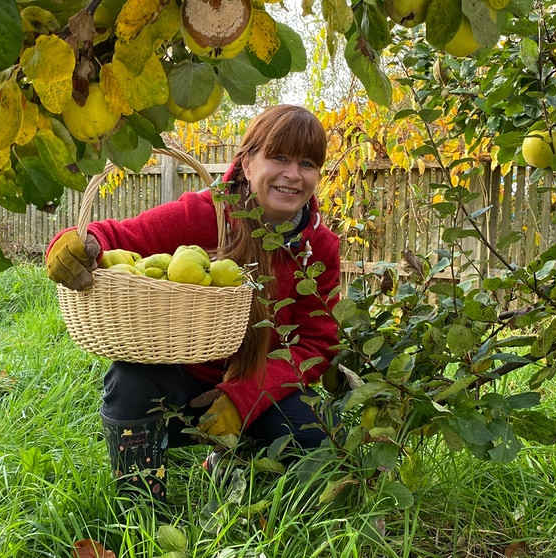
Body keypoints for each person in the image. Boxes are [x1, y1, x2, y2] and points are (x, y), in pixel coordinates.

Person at [45, 105, 341, 503]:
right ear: (248, 163)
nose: (293, 174)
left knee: (316, 436)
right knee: (130, 380)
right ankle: (141, 503)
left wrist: (244, 396)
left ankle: (237, 462)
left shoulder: (318, 248)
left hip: (260, 383)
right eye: (280, 157)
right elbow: (113, 236)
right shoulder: (206, 214)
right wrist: (72, 246)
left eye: (307, 163)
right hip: (185, 380)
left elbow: (315, 344)